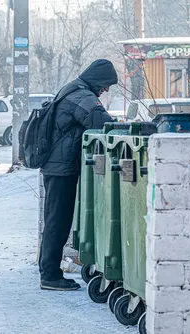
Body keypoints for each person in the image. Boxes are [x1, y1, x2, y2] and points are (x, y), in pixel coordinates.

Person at [38, 59, 117, 291]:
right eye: (106, 84)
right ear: (97, 80)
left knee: (56, 220)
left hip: (58, 165)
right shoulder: (81, 95)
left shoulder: (73, 88)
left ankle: (50, 272)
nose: (106, 90)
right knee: (57, 222)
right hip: (60, 168)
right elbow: (101, 122)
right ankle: (50, 275)